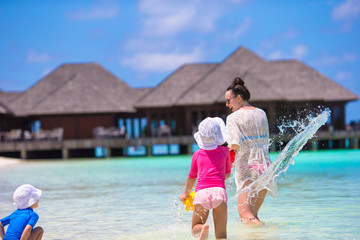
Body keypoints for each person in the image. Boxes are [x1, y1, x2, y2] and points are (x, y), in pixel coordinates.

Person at [225, 77, 277, 225]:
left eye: (229, 100)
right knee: (253, 216)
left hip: (247, 169)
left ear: (239, 98)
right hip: (265, 167)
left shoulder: (232, 118)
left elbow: (234, 144)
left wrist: (221, 151)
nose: (227, 104)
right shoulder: (261, 113)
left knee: (245, 215)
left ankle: (266, 233)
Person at [179, 117, 231, 240]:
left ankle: (203, 228)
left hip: (201, 193)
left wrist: (185, 194)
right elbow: (227, 174)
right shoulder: (225, 151)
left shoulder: (197, 155)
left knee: (195, 228)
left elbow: (191, 178)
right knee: (222, 235)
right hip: (219, 192)